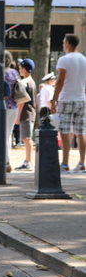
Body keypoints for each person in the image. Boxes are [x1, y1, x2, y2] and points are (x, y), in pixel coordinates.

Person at [50, 33, 86, 173]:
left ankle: (64, 163)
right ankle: (82, 163)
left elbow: (60, 81)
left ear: (67, 43)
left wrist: (54, 100)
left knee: (64, 132)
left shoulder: (64, 60)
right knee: (81, 132)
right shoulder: (84, 60)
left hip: (66, 98)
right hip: (81, 99)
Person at [14, 58, 37, 171]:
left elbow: (22, 101)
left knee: (27, 138)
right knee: (26, 138)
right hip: (30, 112)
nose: (19, 69)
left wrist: (17, 116)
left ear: (24, 69)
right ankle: (28, 161)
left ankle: (28, 161)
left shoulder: (24, 83)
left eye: (20, 67)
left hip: (26, 113)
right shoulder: (31, 82)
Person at [3, 51, 20, 172]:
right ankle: (7, 160)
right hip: (14, 106)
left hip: (3, 106)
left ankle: (6, 161)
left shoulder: (1, 73)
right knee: (8, 134)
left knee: (1, 135)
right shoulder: (15, 73)